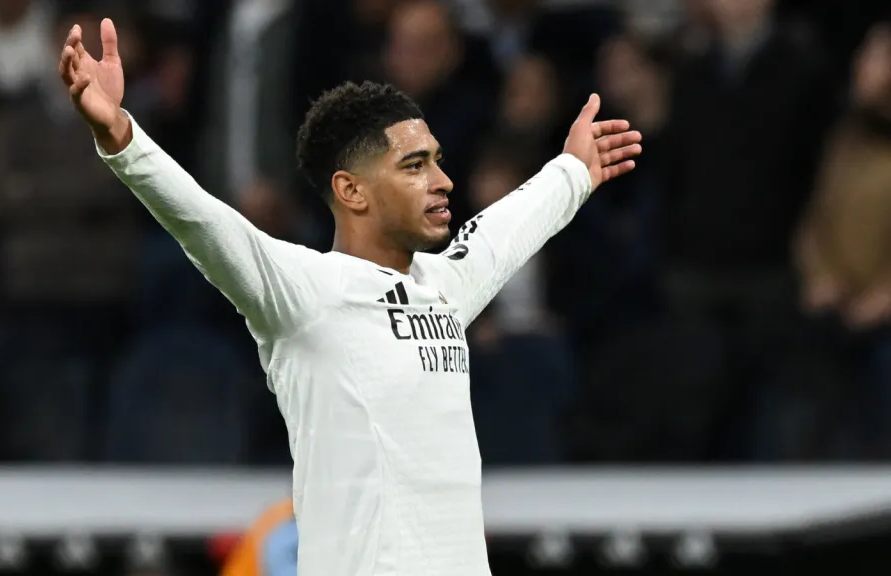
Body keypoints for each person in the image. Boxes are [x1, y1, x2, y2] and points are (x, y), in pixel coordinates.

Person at [58, 18, 640, 576]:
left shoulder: (441, 287)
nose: (443, 180)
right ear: (351, 190)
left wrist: (572, 172)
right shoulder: (303, 293)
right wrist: (121, 137)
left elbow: (500, 234)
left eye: (437, 161)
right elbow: (202, 222)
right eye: (415, 165)